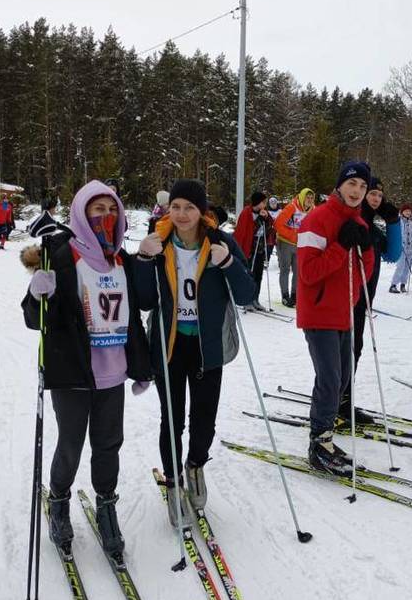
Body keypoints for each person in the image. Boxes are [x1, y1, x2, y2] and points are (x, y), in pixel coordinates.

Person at [20, 180, 152, 563]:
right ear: (81, 213)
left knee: (109, 445)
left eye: (112, 211)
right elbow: (35, 320)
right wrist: (37, 292)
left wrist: (141, 365)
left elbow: (134, 319)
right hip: (73, 371)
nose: (106, 217)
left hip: (112, 372)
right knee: (72, 444)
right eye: (98, 211)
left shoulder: (121, 260)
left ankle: (106, 507)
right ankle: (58, 502)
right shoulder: (62, 257)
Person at [133, 179, 255, 524]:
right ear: (167, 209)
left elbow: (247, 294)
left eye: (190, 207)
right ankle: (173, 482)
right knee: (170, 420)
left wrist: (228, 262)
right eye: (176, 207)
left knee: (204, 421)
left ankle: (195, 464)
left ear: (202, 211)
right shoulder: (158, 244)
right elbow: (143, 300)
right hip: (169, 346)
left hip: (207, 347)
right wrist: (143, 259)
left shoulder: (219, 242)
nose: (182, 214)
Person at [297, 161, 374, 475]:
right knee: (330, 379)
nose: (356, 192)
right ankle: (320, 439)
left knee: (341, 379)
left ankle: (323, 430)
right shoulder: (316, 219)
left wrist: (366, 249)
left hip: (344, 312)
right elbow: (308, 272)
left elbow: (364, 275)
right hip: (318, 312)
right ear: (340, 185)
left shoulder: (360, 224)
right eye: (352, 184)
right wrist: (341, 246)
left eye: (362, 187)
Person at [339, 175, 401, 422]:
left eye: (378, 195)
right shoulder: (352, 219)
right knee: (343, 352)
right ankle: (337, 401)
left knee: (355, 349)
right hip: (344, 298)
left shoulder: (372, 226)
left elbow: (393, 254)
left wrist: (393, 220)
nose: (375, 198)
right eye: (371, 193)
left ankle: (343, 399)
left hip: (363, 299)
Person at [233, 190, 274, 311]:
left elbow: (270, 227)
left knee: (258, 275)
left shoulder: (264, 213)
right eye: (263, 202)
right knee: (249, 275)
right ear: (258, 202)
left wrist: (266, 219)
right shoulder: (247, 213)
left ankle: (255, 299)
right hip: (249, 249)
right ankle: (247, 300)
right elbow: (243, 231)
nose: (265, 204)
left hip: (260, 248)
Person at [274, 188, 315, 307]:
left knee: (298, 271)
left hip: (300, 245)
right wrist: (293, 234)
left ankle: (295, 295)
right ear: (302, 197)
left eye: (312, 198)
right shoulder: (292, 207)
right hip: (285, 242)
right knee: (285, 269)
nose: (309, 200)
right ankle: (285, 295)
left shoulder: (313, 210)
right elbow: (277, 224)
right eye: (307, 197)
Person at [388, 205, 412, 293]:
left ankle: (403, 285)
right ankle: (393, 285)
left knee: (407, 267)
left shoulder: (410, 223)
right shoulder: (399, 222)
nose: (408, 212)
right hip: (401, 248)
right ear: (402, 212)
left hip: (409, 248)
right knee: (400, 266)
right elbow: (396, 234)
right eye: (406, 211)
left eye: (409, 211)